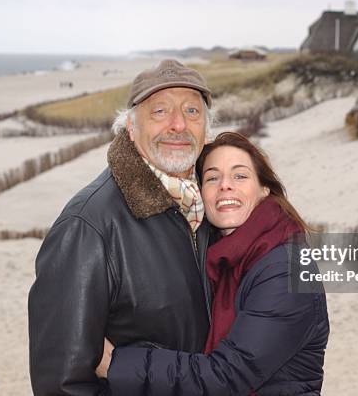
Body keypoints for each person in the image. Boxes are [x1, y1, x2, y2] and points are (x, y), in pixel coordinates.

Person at [28, 59, 216, 395]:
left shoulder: (214, 207)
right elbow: (61, 383)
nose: (178, 125)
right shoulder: (87, 226)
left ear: (206, 128)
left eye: (191, 111)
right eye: (159, 111)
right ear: (131, 127)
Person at [98, 132, 330, 395]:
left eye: (240, 175)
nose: (225, 186)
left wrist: (115, 363)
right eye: (212, 177)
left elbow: (227, 376)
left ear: (265, 189)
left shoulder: (285, 271)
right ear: (201, 194)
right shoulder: (220, 261)